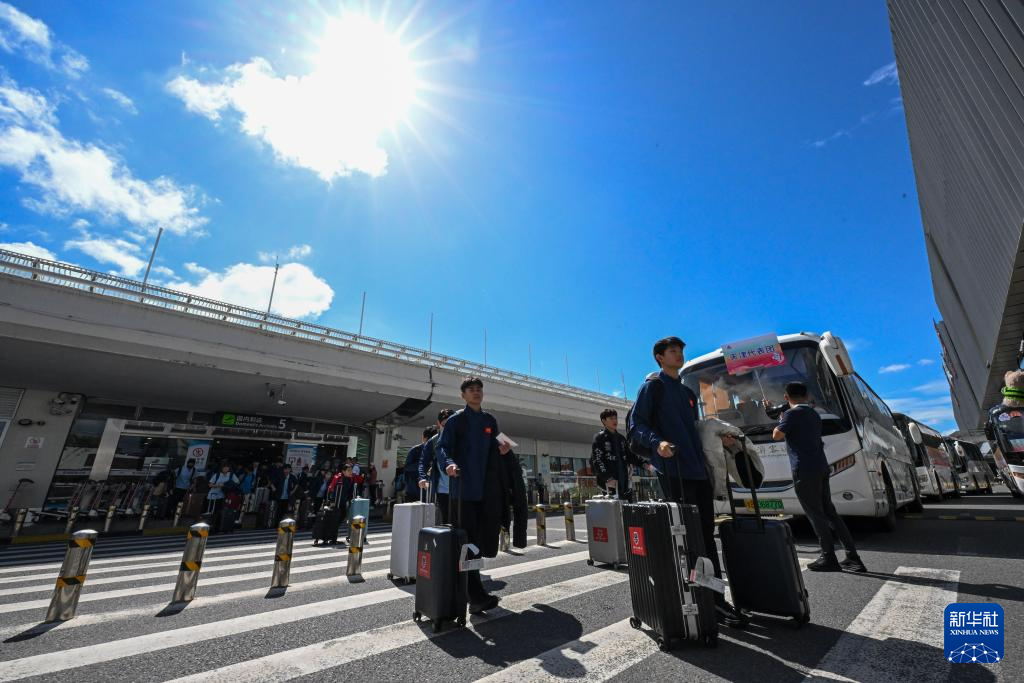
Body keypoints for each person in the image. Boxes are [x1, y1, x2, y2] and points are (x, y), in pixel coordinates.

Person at [631, 336, 747, 627]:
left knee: (706, 535)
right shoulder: (653, 387)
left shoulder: (686, 393)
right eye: (672, 351)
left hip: (697, 470)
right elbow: (637, 425)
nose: (679, 355)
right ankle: (699, 599)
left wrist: (719, 437)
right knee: (687, 537)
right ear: (659, 357)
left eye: (681, 350)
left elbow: (693, 428)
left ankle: (715, 597)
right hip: (673, 470)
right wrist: (657, 443)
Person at [435, 378, 514, 613]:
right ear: (463, 395)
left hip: (486, 492)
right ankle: (475, 594)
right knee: (467, 542)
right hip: (463, 492)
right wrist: (448, 464)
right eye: (471, 390)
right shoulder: (456, 421)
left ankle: (472, 591)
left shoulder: (490, 420)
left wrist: (503, 449)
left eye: (479, 389)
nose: (477, 393)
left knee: (479, 541)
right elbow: (442, 447)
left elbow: (499, 444)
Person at [772, 382, 866, 572]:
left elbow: (777, 435)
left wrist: (780, 420)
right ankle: (852, 556)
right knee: (830, 512)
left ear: (786, 397)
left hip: (804, 469)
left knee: (815, 514)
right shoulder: (814, 414)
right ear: (806, 396)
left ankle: (828, 557)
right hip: (821, 467)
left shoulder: (791, 414)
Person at [591, 408, 643, 499]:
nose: (615, 421)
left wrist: (644, 464)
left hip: (623, 482)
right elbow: (598, 460)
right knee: (612, 510)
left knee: (625, 509)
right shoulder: (599, 438)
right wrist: (608, 478)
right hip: (609, 484)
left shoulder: (621, 438)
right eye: (611, 418)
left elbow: (630, 456)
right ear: (604, 421)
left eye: (616, 418)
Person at [419, 409, 457, 515]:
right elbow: (423, 461)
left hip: (462, 489)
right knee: (446, 521)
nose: (448, 429)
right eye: (445, 425)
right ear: (438, 424)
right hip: (442, 490)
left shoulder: (463, 439)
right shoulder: (434, 441)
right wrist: (422, 477)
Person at [405, 427, 437, 502]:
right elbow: (407, 467)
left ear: (423, 437)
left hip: (429, 491)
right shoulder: (415, 450)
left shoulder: (437, 451)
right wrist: (423, 464)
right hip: (413, 491)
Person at [206, 461, 239, 533]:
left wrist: (228, 486)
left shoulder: (231, 475)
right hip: (213, 496)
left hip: (224, 496)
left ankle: (218, 527)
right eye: (224, 467)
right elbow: (210, 485)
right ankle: (211, 527)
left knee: (220, 512)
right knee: (212, 512)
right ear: (221, 468)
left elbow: (237, 482)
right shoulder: (217, 475)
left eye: (227, 467)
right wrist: (218, 485)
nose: (226, 469)